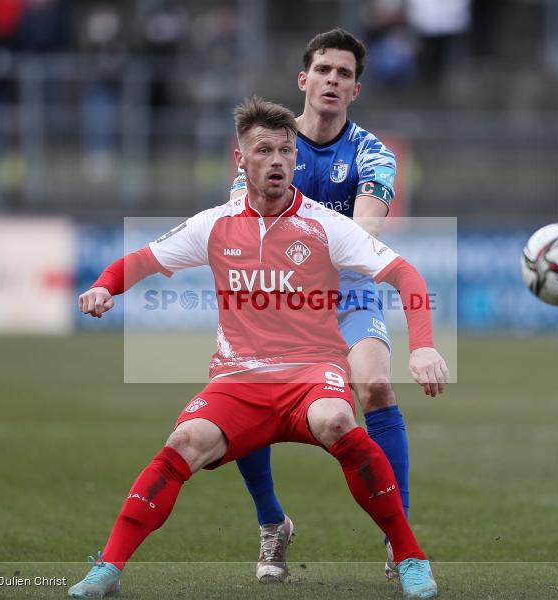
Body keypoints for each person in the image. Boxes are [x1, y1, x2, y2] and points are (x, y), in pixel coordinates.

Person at [69, 97, 447, 599]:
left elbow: (405, 274)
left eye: (285, 150)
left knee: (339, 419)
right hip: (239, 380)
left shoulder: (325, 225)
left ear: (296, 159)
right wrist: (102, 287)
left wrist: (422, 347)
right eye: (263, 150)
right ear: (240, 159)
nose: (276, 160)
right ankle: (107, 569)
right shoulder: (214, 224)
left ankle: (409, 557)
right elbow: (139, 261)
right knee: (182, 444)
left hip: (311, 374)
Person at [228, 28, 412, 582]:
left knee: (377, 385)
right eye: (324, 71)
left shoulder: (372, 154)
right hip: (276, 293)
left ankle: (397, 537)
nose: (333, 80)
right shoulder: (271, 145)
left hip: (347, 288)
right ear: (303, 80)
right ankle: (272, 524)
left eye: (345, 74)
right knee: (246, 399)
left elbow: (364, 234)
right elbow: (243, 217)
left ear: (356, 89)